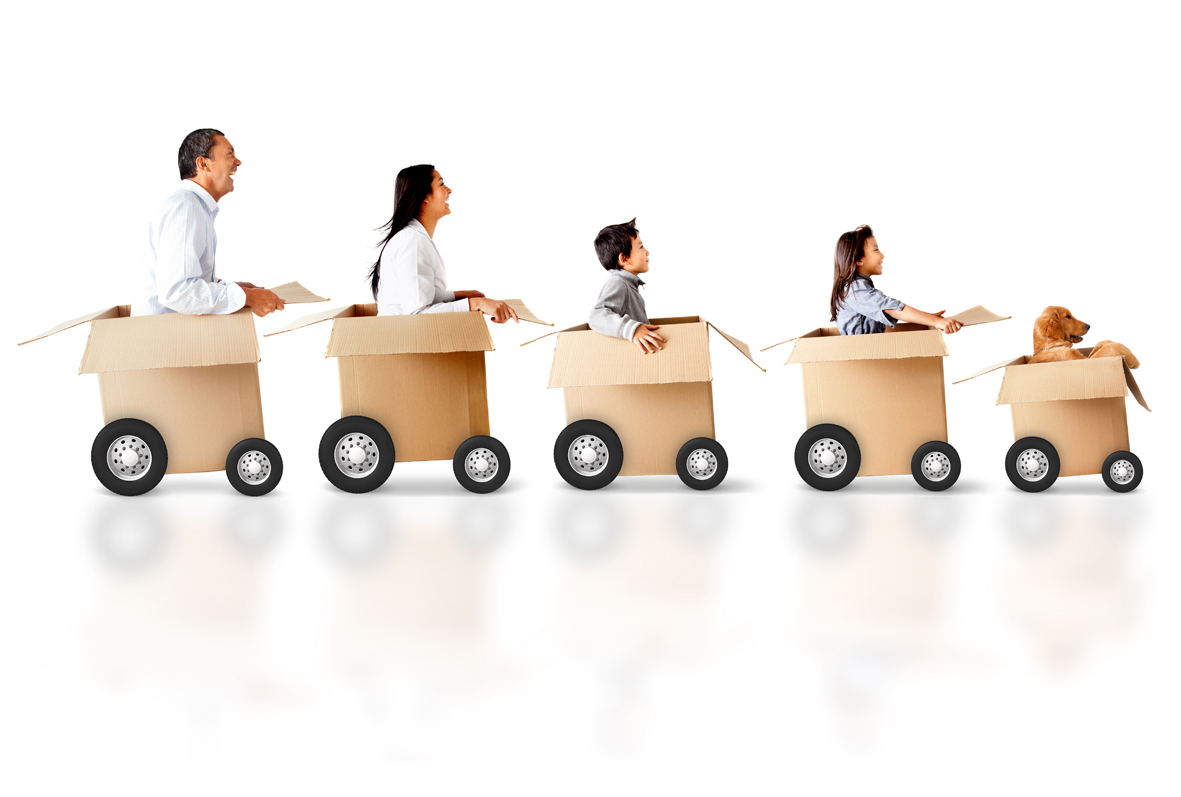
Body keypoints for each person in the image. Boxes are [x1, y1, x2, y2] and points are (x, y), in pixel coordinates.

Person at [135, 129, 285, 317]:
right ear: (203, 164)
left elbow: (185, 282)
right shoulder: (186, 208)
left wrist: (233, 289)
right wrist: (247, 297)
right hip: (162, 334)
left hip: (168, 331)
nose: (238, 162)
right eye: (230, 155)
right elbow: (177, 291)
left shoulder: (194, 207)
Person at [369, 164, 518, 323]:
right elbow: (417, 316)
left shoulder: (414, 239)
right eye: (441, 184)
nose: (449, 190)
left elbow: (415, 295)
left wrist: (455, 296)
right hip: (403, 337)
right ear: (425, 196)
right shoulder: (412, 242)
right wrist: (475, 304)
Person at [830, 225, 962, 335]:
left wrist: (928, 317)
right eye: (876, 250)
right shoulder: (856, 290)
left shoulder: (856, 288)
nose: (882, 255)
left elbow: (892, 311)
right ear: (859, 259)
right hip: (864, 355)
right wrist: (936, 322)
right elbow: (892, 309)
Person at [588, 218, 666, 354]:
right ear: (624, 259)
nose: (647, 252)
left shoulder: (628, 285)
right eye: (641, 247)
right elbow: (596, 316)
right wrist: (633, 329)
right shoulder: (618, 282)